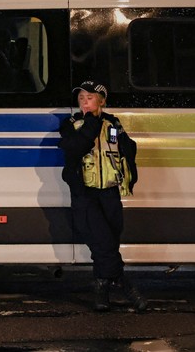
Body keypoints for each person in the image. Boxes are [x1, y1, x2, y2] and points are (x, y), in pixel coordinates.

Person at [58, 80, 147, 312]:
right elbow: (76, 147)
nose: (84, 102)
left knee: (107, 243)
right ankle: (126, 286)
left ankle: (102, 291)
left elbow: (127, 149)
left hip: (109, 192)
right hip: (85, 195)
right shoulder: (71, 124)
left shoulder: (113, 123)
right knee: (103, 242)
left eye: (89, 98)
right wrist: (91, 122)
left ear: (102, 101)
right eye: (80, 98)